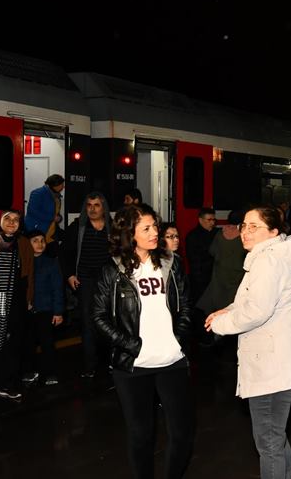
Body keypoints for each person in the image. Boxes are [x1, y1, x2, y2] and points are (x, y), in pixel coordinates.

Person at [205, 207, 291, 478]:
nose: (245, 231)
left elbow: (257, 312)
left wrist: (220, 324)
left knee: (268, 443)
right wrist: (228, 310)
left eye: (254, 226)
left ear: (274, 232)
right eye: (244, 225)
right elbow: (254, 300)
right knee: (275, 439)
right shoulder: (269, 257)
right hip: (279, 364)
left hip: (272, 368)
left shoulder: (267, 261)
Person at [92, 204, 194, 479]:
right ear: (129, 233)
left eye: (155, 227)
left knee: (183, 433)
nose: (154, 232)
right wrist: (132, 346)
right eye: (146, 228)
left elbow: (185, 305)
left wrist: (178, 338)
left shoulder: (170, 263)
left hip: (172, 360)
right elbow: (99, 317)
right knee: (141, 436)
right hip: (133, 366)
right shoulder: (113, 270)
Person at [0, 210, 34, 401]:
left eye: (16, 220)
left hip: (14, 300)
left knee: (13, 342)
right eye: (7, 219)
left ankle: (7, 384)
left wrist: (28, 298)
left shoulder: (24, 244)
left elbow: (28, 273)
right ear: (0, 222)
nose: (11, 223)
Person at [61, 192, 111, 378]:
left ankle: (110, 362)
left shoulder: (112, 227)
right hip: (86, 281)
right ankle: (90, 366)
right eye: (89, 205)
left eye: (96, 205)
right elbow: (64, 253)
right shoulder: (78, 227)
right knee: (88, 322)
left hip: (107, 282)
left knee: (108, 321)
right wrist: (69, 275)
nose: (92, 209)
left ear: (103, 207)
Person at [21, 230, 64, 386]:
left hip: (45, 309)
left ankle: (50, 373)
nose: (40, 244)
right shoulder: (23, 262)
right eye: (35, 241)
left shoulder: (51, 263)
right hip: (26, 310)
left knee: (47, 343)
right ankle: (29, 371)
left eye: (42, 240)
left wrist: (58, 312)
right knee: (28, 343)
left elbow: (57, 288)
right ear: (28, 244)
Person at [196, 210, 247, 319]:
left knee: (218, 296)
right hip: (237, 273)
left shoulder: (220, 233)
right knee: (232, 300)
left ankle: (214, 321)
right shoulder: (243, 236)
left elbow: (212, 251)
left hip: (220, 271)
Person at [185, 207, 218, 303]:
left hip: (214, 278)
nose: (212, 223)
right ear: (200, 220)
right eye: (209, 220)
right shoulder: (192, 236)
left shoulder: (216, 233)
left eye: (213, 220)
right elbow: (194, 261)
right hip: (200, 280)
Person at [25, 174, 65, 245]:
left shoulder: (57, 196)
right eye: (62, 185)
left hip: (51, 233)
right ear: (55, 185)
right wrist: (52, 218)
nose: (63, 187)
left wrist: (59, 218)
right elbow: (32, 211)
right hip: (37, 231)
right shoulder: (38, 193)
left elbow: (56, 212)